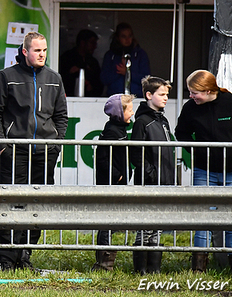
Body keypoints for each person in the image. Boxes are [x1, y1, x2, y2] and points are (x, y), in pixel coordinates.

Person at [0, 31, 68, 271]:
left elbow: (61, 115)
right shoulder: (6, 76)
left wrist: (55, 144)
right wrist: (3, 145)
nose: (41, 54)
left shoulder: (54, 78)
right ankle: (7, 258)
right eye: (36, 50)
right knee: (12, 203)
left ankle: (26, 256)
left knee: (36, 204)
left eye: (44, 50)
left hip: (44, 152)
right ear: (25, 51)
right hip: (14, 151)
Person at [175, 70, 232, 272]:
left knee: (230, 215)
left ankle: (228, 261)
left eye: (194, 93)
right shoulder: (190, 108)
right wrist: (197, 150)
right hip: (203, 169)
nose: (191, 96)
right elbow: (181, 132)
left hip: (230, 171)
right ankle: (199, 264)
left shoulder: (229, 102)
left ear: (208, 90)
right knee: (203, 215)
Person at [130, 76, 174, 274]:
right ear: (149, 95)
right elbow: (136, 153)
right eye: (162, 94)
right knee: (145, 225)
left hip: (163, 180)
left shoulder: (163, 120)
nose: (165, 98)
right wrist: (150, 173)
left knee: (156, 225)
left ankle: (154, 268)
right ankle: (141, 268)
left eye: (167, 94)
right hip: (148, 182)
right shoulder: (142, 122)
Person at [93, 93, 135, 271]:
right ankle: (104, 262)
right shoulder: (112, 131)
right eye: (129, 110)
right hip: (111, 183)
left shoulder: (119, 129)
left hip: (117, 182)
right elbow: (102, 157)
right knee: (106, 222)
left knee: (110, 222)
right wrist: (116, 175)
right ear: (119, 112)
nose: (132, 113)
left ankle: (106, 260)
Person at [100, 23, 150, 97]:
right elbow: (103, 79)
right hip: (115, 98)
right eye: (123, 36)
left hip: (136, 98)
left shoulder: (140, 54)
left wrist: (128, 73)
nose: (127, 39)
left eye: (130, 36)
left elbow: (147, 79)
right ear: (117, 38)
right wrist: (118, 72)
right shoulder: (110, 55)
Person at [59, 29, 102, 97]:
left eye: (95, 43)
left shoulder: (93, 62)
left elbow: (99, 84)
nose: (95, 46)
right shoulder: (67, 58)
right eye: (92, 43)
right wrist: (71, 73)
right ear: (82, 43)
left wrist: (92, 87)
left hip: (91, 101)